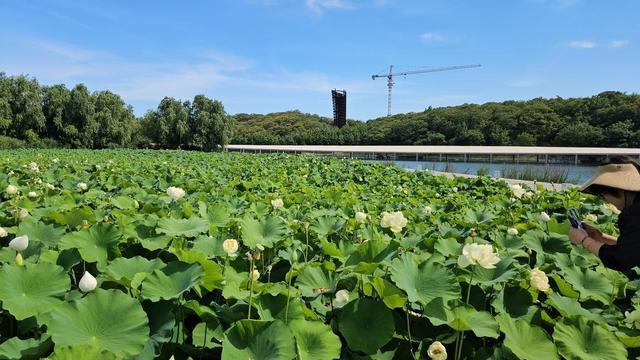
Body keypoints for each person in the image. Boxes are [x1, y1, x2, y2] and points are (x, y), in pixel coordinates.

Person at [568, 155, 640, 271]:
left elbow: (621, 259)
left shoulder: (636, 214)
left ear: (619, 189)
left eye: (602, 195)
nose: (605, 201)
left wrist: (584, 240)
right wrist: (601, 237)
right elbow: (634, 248)